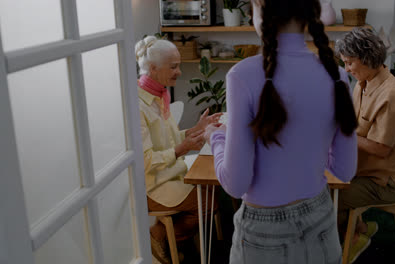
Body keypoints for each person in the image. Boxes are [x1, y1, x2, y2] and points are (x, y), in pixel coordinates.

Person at [203, 0, 358, 263]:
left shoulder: (242, 76)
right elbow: (345, 169)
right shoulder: (337, 75)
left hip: (265, 235)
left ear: (259, 8)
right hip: (321, 218)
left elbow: (235, 183)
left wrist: (216, 136)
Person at [135, 36, 222, 264]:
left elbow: (170, 140)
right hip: (151, 185)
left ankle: (168, 238)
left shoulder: (159, 94)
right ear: (153, 68)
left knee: (212, 193)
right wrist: (183, 148)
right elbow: (145, 161)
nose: (179, 72)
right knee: (208, 202)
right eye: (174, 66)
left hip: (170, 173)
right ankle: (161, 237)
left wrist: (196, 129)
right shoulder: (138, 105)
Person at [335, 28, 395, 263]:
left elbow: (381, 149)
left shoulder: (392, 95)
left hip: (386, 182)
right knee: (325, 175)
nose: (347, 69)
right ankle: (358, 227)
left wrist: (341, 134)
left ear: (367, 58)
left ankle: (354, 237)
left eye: (350, 63)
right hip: (366, 170)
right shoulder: (364, 82)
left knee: (327, 193)